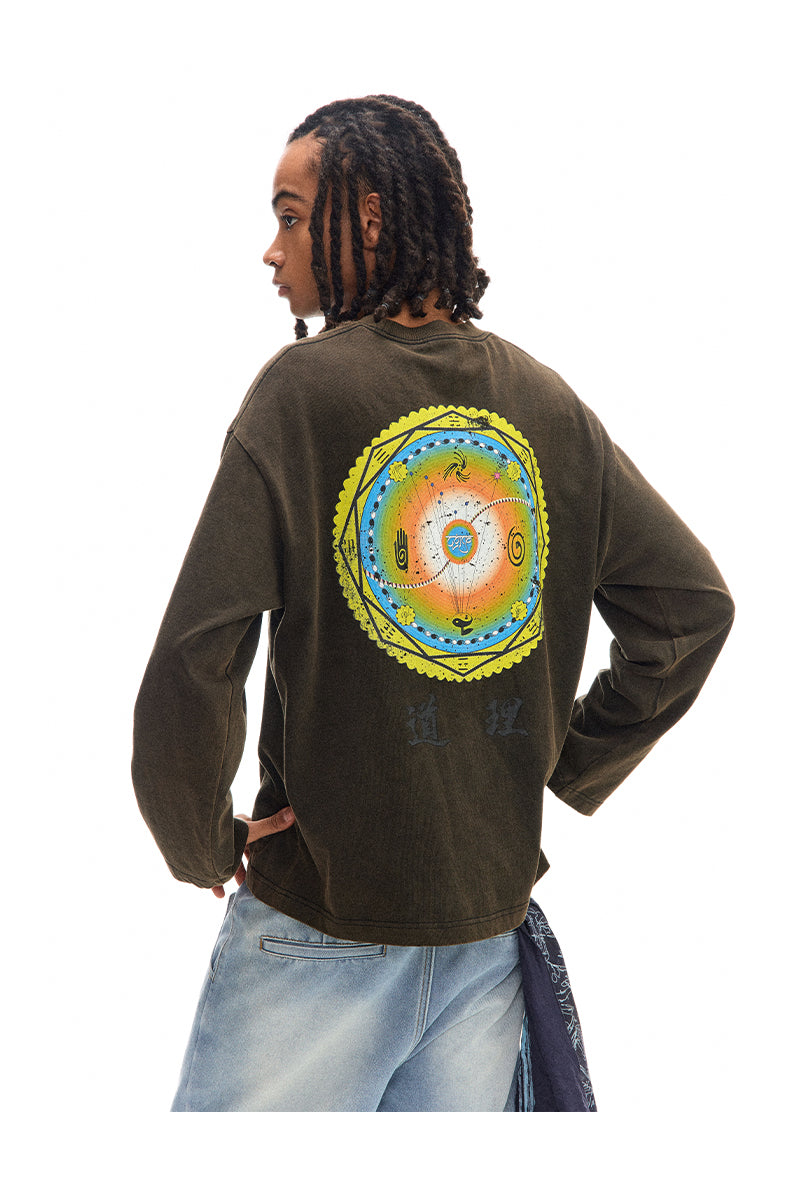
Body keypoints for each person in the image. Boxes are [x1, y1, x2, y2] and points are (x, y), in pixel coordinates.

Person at [132, 96, 734, 1112]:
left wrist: (202, 842)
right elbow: (689, 608)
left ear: (367, 218)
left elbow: (197, 656)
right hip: (484, 939)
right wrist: (567, 760)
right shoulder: (546, 404)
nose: (272, 251)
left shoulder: (300, 395)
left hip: (316, 935)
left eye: (290, 217)